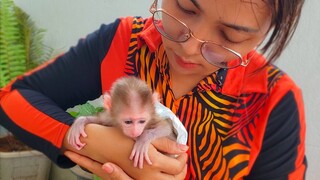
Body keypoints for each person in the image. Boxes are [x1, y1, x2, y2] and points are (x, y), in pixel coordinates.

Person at [0, 0, 307, 179]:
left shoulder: (273, 101)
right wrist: (92, 141)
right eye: (185, 8)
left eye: (230, 35)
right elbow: (13, 99)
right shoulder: (124, 42)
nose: (189, 47)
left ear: (264, 36)